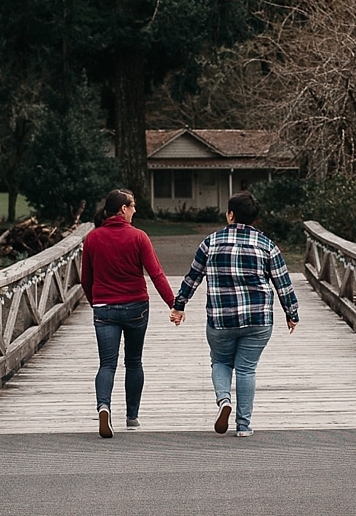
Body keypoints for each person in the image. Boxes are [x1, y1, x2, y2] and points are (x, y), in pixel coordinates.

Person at [169, 191, 298, 436]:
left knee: (220, 361)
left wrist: (179, 306)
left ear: (230, 215)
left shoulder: (210, 242)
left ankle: (224, 400)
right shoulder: (267, 245)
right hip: (258, 319)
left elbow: (193, 277)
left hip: (221, 319)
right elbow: (283, 282)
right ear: (254, 218)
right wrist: (291, 312)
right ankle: (243, 426)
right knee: (247, 369)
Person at [79, 187, 176, 437]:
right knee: (133, 362)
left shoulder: (92, 238)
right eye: (132, 206)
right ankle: (132, 417)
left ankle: (103, 407)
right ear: (123, 209)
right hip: (136, 307)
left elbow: (85, 280)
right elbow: (156, 274)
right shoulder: (139, 237)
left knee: (107, 364)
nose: (135, 210)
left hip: (104, 310)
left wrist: (95, 302)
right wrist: (174, 304)